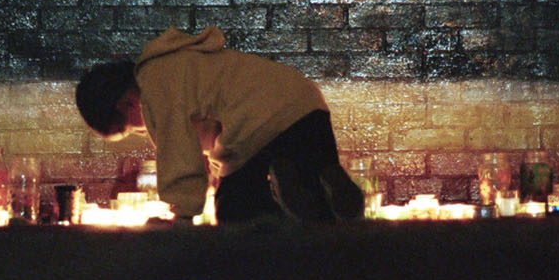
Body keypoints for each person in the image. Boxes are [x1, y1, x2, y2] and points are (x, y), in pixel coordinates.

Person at [75, 26, 364, 224]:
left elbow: (179, 151)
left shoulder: (155, 86)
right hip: (305, 103)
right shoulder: (184, 64)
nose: (142, 131)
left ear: (125, 104)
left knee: (235, 209)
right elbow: (214, 134)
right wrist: (216, 173)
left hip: (260, 125)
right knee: (315, 191)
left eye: (131, 128)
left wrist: (183, 213)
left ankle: (287, 191)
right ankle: (324, 176)